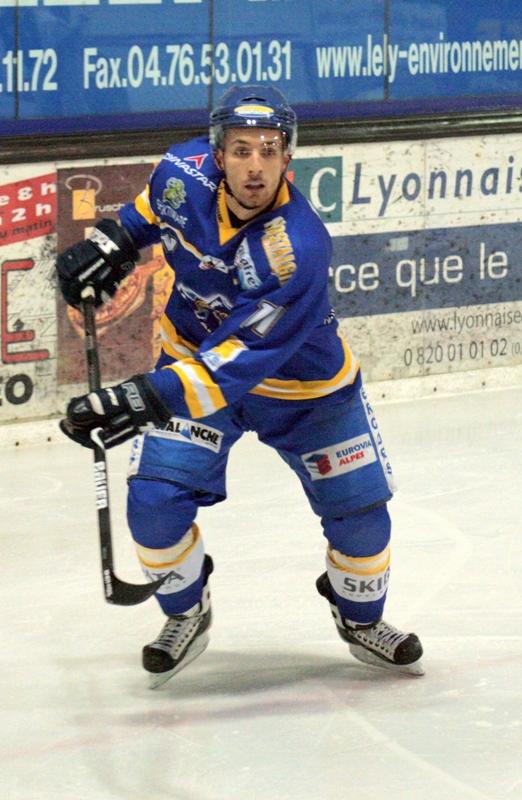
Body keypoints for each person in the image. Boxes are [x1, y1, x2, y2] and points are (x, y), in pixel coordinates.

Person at [56, 85, 424, 687]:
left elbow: (237, 361)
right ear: (217, 152)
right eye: (241, 149)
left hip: (304, 392)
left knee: (362, 522)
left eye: (270, 150)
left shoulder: (297, 248)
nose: (256, 165)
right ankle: (186, 611)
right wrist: (109, 245)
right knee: (153, 503)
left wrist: (144, 397)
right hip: (192, 359)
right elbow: (149, 213)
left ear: (288, 159)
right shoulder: (181, 171)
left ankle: (358, 618)